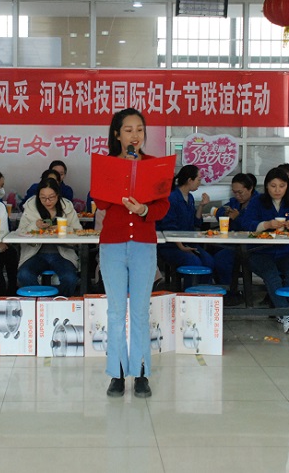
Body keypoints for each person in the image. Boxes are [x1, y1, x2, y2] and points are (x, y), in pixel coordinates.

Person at [95, 108, 169, 399]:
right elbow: (101, 202)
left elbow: (163, 206)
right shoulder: (107, 164)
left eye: (139, 129)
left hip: (143, 245)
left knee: (139, 311)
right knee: (116, 312)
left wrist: (144, 209)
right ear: (117, 134)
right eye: (128, 130)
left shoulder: (154, 165)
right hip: (112, 246)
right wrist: (123, 171)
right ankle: (116, 374)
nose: (135, 135)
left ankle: (140, 373)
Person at [240, 167, 289, 334]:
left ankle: (287, 312)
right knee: (272, 275)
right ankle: (288, 314)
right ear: (266, 186)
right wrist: (266, 225)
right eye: (273, 186)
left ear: (288, 186)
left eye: (282, 186)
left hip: (286, 251)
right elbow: (246, 224)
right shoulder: (257, 201)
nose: (277, 190)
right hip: (260, 251)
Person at [16, 177, 81, 295]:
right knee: (24, 275)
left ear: (58, 195)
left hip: (63, 254)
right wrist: (35, 225)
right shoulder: (31, 206)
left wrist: (63, 229)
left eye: (51, 197)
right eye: (43, 198)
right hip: (35, 254)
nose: (47, 201)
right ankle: (41, 301)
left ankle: (58, 301)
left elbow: (78, 231)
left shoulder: (66, 206)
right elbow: (20, 231)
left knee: (70, 278)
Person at [156, 164, 216, 287]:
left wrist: (201, 206)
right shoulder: (172, 198)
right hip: (171, 246)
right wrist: (181, 246)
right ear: (190, 180)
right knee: (194, 262)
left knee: (209, 261)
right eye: (198, 179)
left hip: (188, 243)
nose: (200, 183)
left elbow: (196, 222)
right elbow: (169, 227)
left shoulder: (190, 197)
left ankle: (204, 292)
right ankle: (190, 292)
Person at [212, 173, 258, 299]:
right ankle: (222, 288)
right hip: (234, 241)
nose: (237, 196)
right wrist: (225, 212)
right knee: (211, 250)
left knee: (221, 258)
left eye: (240, 192)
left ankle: (230, 292)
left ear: (250, 189)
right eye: (235, 192)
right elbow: (220, 210)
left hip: (251, 245)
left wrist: (238, 217)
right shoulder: (235, 202)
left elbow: (254, 226)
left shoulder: (258, 203)